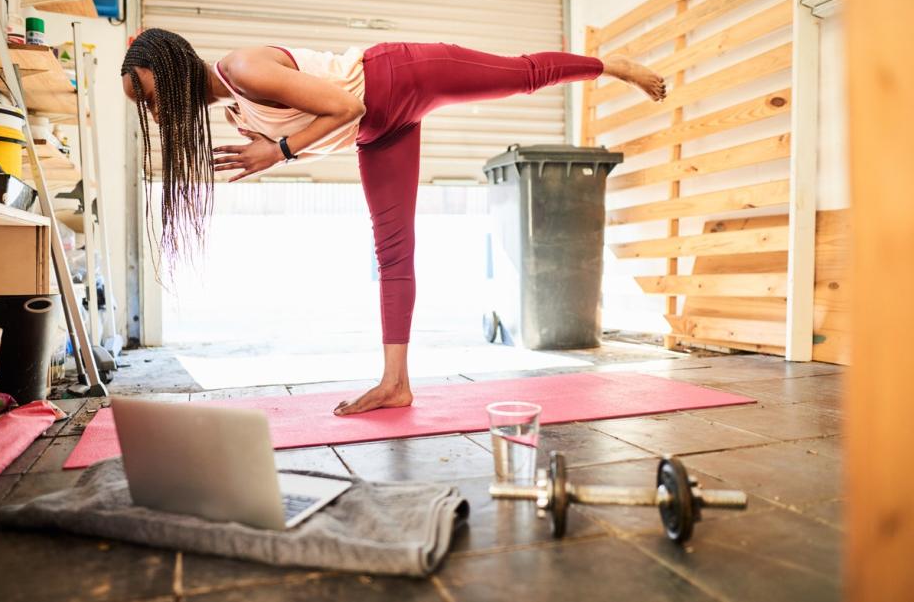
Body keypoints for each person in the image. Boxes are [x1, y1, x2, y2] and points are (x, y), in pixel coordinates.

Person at [120, 29, 666, 416]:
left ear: (165, 69)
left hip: (400, 74)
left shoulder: (242, 68)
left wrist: (278, 152)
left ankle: (610, 65)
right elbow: (337, 127)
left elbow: (343, 107)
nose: (151, 111)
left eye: (145, 94)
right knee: (392, 254)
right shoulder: (237, 107)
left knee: (520, 75)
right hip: (382, 131)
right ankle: (395, 383)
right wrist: (278, 148)